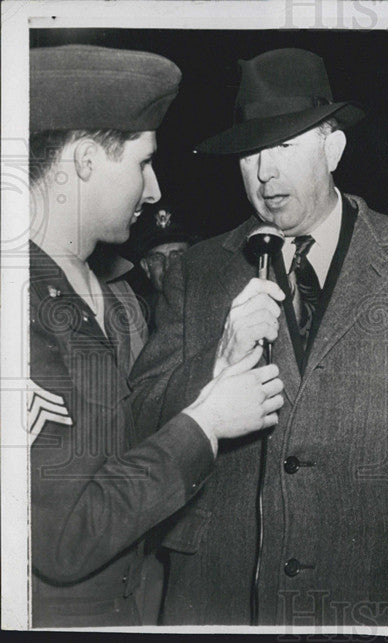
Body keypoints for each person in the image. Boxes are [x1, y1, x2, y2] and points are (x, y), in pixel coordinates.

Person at [128, 48, 388, 626]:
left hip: (382, 591)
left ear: (333, 149)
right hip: (224, 598)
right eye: (251, 153)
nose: (264, 173)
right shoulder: (198, 272)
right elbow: (140, 423)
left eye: (284, 146)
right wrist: (215, 364)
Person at [26, 44, 285, 627]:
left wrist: (215, 376)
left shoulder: (91, 294)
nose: (155, 190)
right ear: (87, 159)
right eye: (144, 162)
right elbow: (67, 537)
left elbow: (119, 455)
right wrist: (208, 422)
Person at [125, 204, 198, 328]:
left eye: (177, 256)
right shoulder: (136, 320)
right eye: (157, 258)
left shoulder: (217, 301)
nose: (167, 266)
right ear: (146, 267)